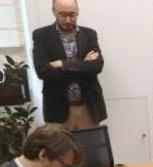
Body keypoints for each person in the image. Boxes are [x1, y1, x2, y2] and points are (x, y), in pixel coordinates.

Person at [32, 0, 107, 129]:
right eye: (62, 15)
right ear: (54, 11)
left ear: (78, 11)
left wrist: (62, 64)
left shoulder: (89, 34)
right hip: (57, 109)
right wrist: (83, 65)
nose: (68, 20)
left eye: (72, 15)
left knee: (92, 148)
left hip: (88, 107)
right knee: (59, 149)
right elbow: (43, 71)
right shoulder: (41, 36)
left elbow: (97, 66)